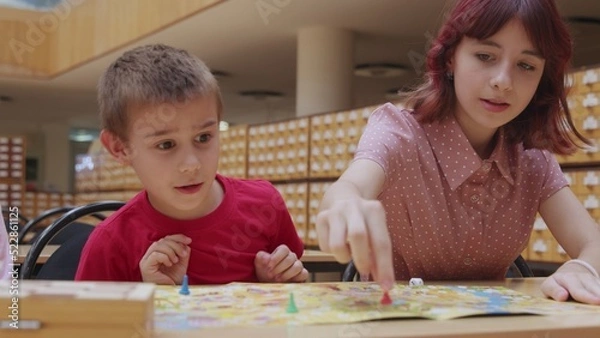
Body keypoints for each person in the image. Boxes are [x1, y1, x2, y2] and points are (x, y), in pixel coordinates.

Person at [316, 0, 600, 305]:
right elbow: (352, 185)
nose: (503, 81)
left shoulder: (533, 159)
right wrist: (345, 202)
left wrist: (582, 268)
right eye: (485, 56)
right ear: (451, 58)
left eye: (526, 65)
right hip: (393, 324)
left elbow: (593, 244)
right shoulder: (399, 131)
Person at [76, 44, 308, 285]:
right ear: (119, 148)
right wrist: (150, 295)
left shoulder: (265, 204)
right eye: (166, 144)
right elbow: (88, 323)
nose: (191, 164)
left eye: (203, 138)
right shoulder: (111, 243)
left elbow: (299, 302)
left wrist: (273, 287)